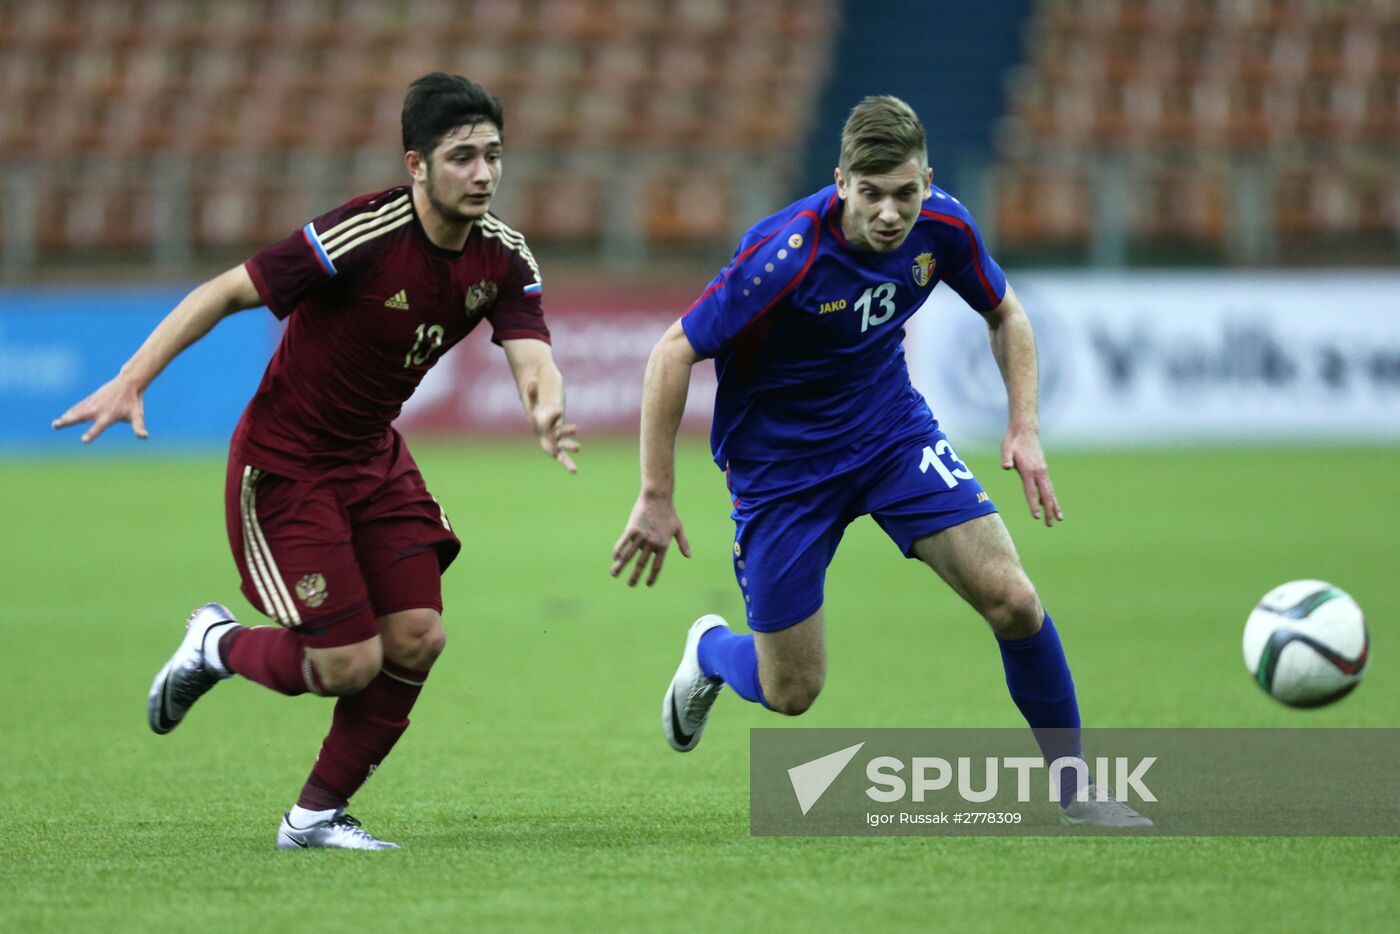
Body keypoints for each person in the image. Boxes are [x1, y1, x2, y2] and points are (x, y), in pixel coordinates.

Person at [53, 73, 578, 849]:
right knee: (345, 663)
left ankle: (314, 817)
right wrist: (133, 378)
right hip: (285, 468)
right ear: (416, 165)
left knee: (417, 638)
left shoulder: (501, 254)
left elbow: (532, 354)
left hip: (373, 460)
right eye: (462, 156)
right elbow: (227, 290)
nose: (483, 173)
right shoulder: (360, 235)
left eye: (493, 156)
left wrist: (546, 404)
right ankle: (216, 645)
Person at [611, 96, 1147, 827]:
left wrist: (1024, 425)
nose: (890, 213)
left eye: (905, 192)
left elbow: (1007, 314)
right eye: (871, 195)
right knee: (792, 691)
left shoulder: (945, 225)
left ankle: (1077, 791)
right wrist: (655, 492)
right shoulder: (785, 256)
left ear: (926, 180)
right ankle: (709, 653)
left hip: (891, 436)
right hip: (783, 472)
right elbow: (673, 350)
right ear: (841, 183)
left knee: (1013, 599)